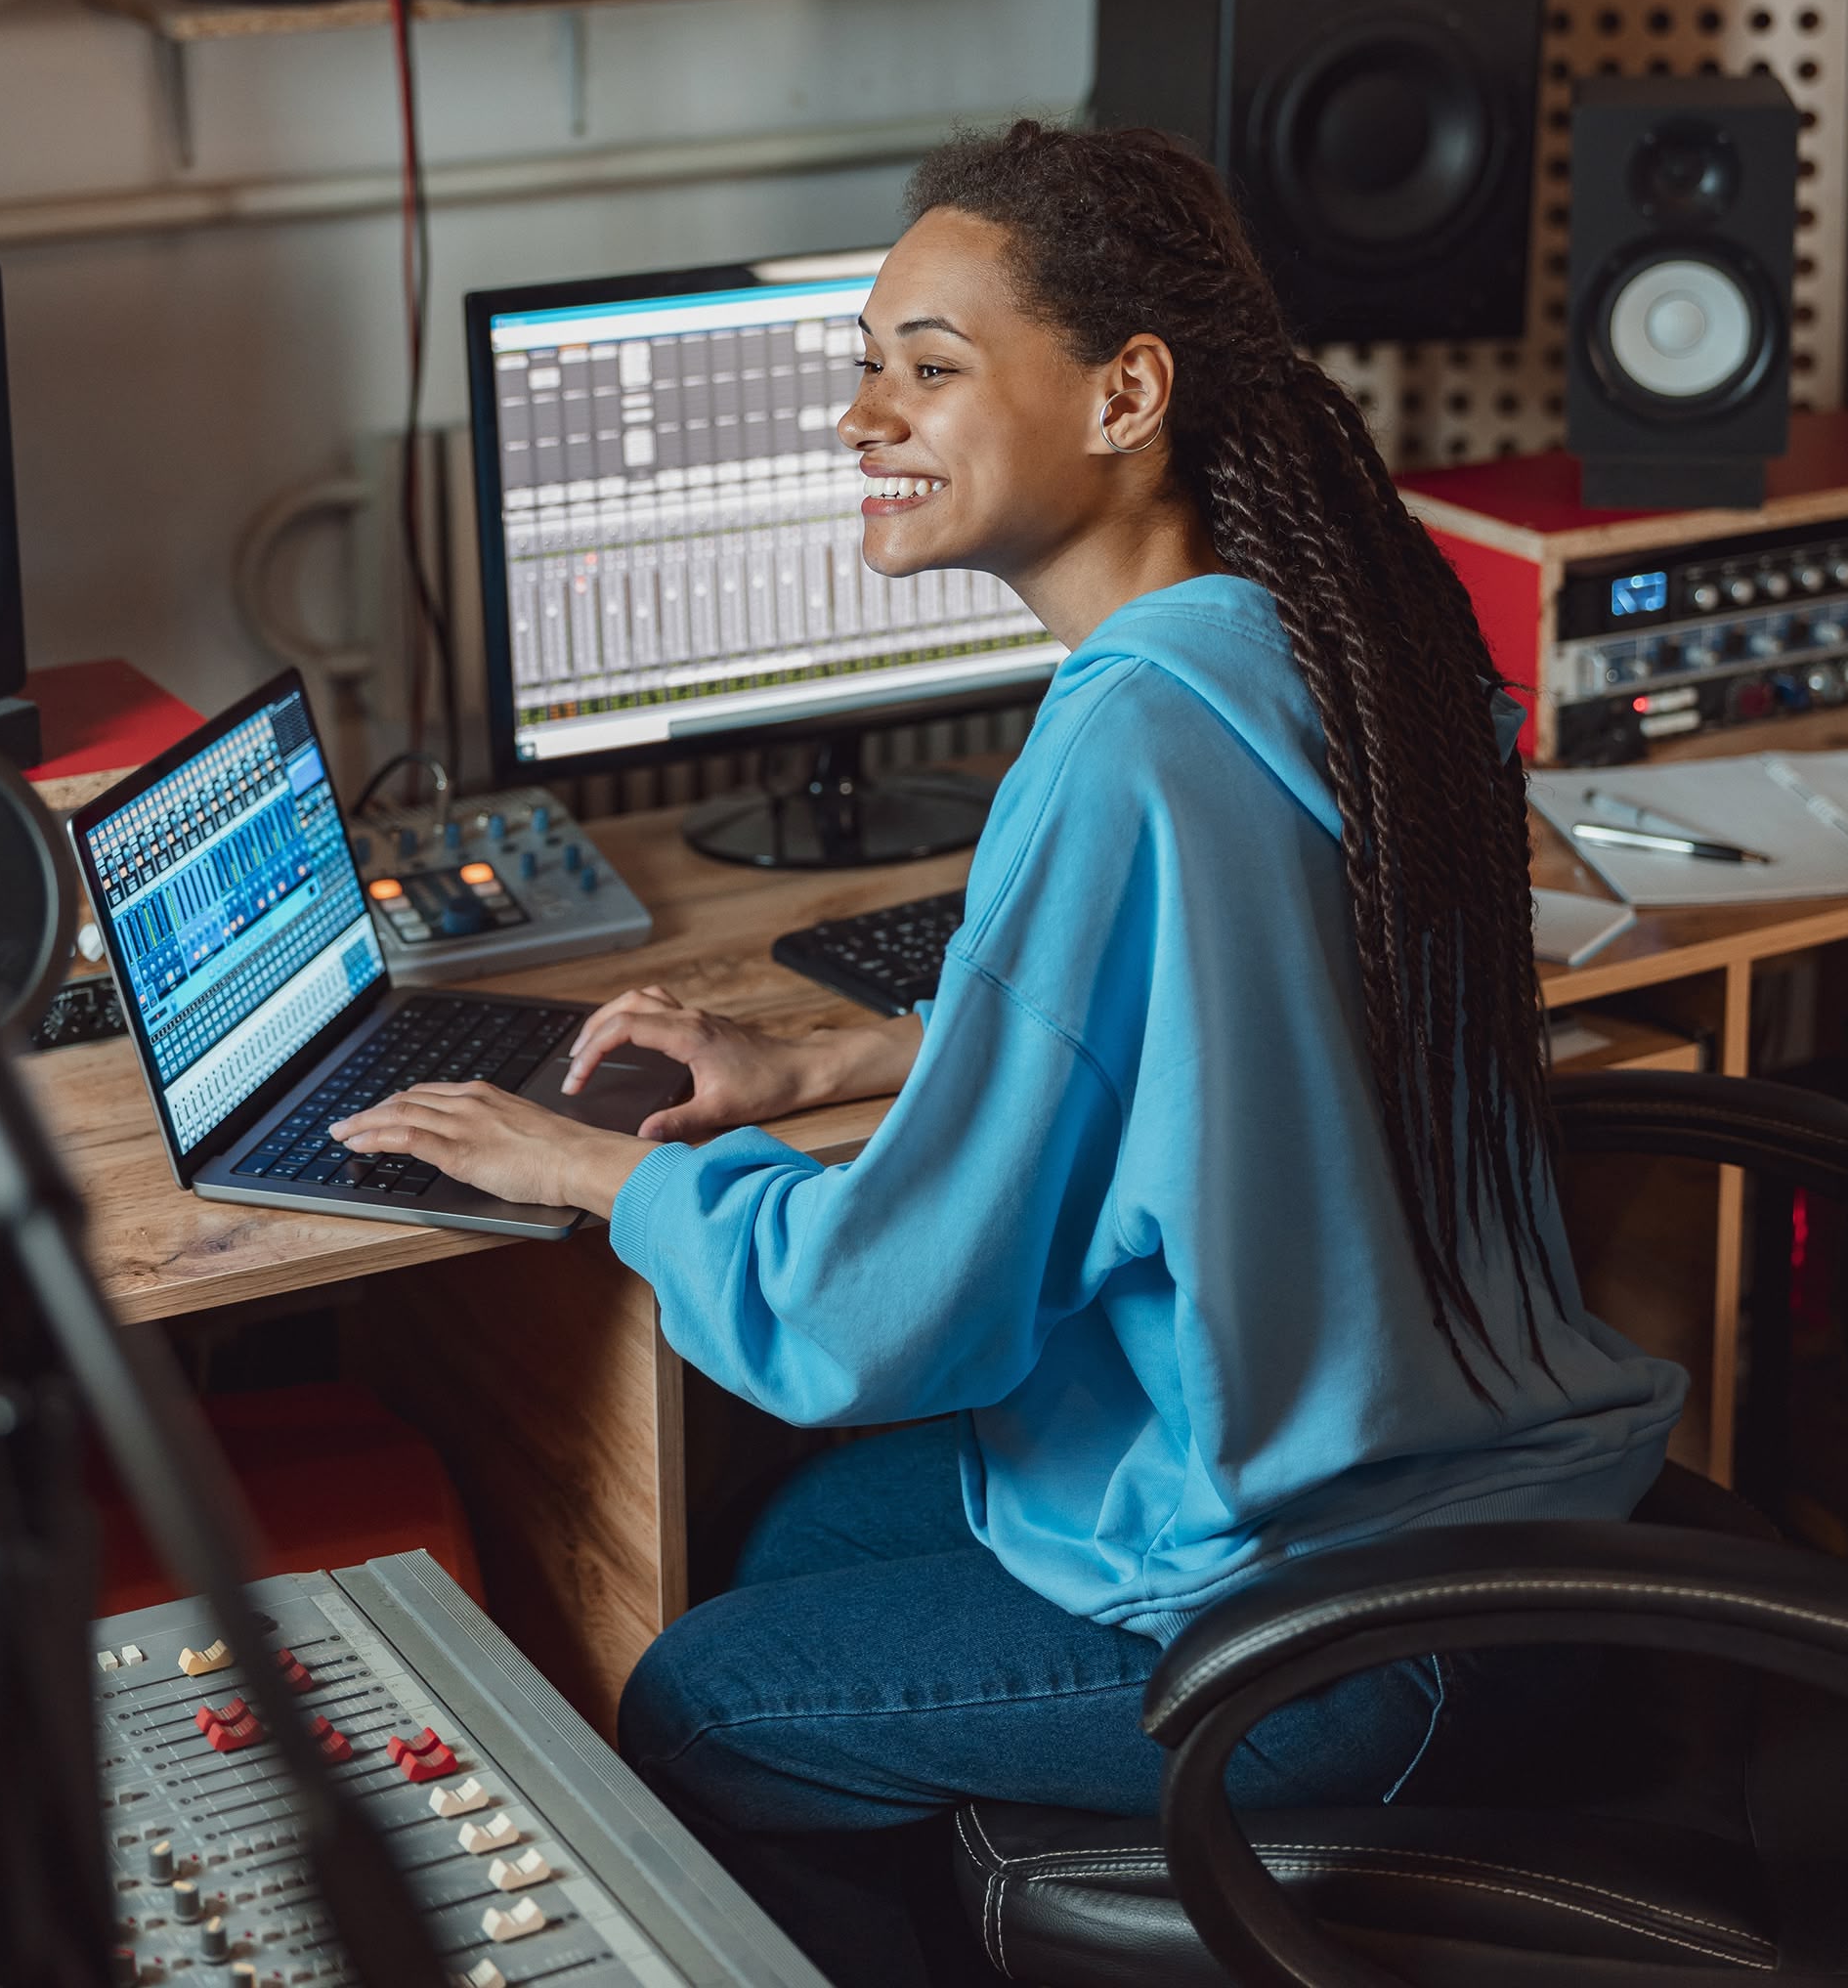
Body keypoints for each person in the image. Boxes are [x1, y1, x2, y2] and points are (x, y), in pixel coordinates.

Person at [334, 120, 1685, 1988]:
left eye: (929, 367)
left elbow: (880, 1324)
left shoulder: (1126, 747)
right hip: (1499, 1505)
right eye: (865, 365)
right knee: (793, 1537)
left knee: (703, 1698)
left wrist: (603, 1172)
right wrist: (828, 1068)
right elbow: (1213, 1027)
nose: (861, 418)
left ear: (1126, 394)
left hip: (1345, 1628)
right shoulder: (1323, 642)